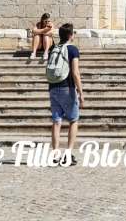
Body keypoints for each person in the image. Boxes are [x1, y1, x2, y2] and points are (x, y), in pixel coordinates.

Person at [46, 22, 84, 165]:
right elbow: (75, 72)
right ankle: (68, 154)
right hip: (67, 88)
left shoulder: (53, 48)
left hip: (53, 88)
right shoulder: (73, 49)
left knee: (56, 122)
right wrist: (81, 92)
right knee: (73, 120)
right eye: (73, 33)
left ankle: (55, 154)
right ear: (70, 35)